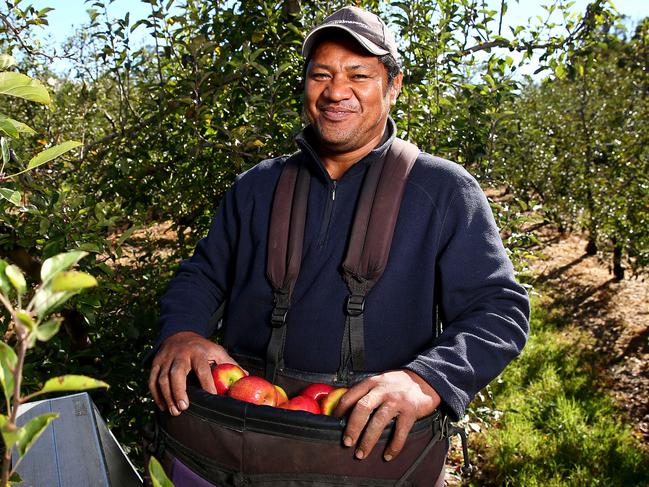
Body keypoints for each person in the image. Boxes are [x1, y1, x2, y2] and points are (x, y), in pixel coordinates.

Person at [148, 4, 529, 478]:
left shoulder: (443, 191)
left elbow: (499, 310)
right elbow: (202, 274)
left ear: (393, 85)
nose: (336, 92)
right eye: (321, 74)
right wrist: (182, 332)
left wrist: (429, 379)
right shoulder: (257, 186)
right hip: (245, 434)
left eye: (359, 74)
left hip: (370, 449)